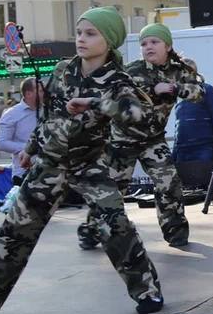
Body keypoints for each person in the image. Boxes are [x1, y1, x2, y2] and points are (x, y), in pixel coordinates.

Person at [0, 6, 164, 314]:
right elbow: (49, 115)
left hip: (88, 164)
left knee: (115, 225)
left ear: (109, 40)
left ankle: (147, 292)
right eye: (79, 32)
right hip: (49, 164)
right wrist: (30, 146)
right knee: (15, 228)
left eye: (90, 34)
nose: (81, 39)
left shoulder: (119, 81)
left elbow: (140, 116)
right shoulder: (62, 70)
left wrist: (94, 102)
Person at [79, 23, 198, 250]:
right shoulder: (131, 71)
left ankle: (176, 232)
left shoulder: (180, 71)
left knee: (169, 182)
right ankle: (91, 231)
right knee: (112, 192)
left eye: (154, 42)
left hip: (153, 140)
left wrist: (174, 88)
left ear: (168, 46)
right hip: (122, 141)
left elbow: (198, 92)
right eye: (144, 43)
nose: (148, 47)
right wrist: (154, 90)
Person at [172, 81, 213, 189]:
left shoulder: (207, 90)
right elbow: (178, 127)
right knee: (186, 192)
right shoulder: (177, 93)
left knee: (205, 189)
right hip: (182, 152)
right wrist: (173, 156)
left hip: (203, 149)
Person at [0, 78, 40, 181]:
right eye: (40, 91)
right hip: (24, 173)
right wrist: (30, 148)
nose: (44, 93)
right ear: (29, 94)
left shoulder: (49, 110)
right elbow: (2, 143)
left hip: (50, 172)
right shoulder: (11, 114)